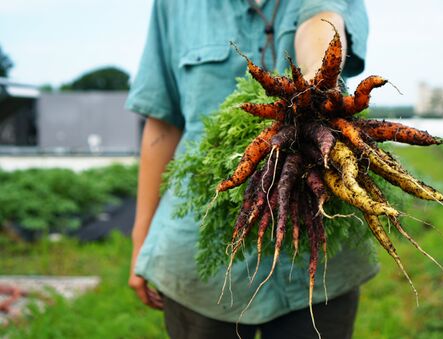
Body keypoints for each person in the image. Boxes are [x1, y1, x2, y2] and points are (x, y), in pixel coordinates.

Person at [126, 1, 378, 338]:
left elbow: (320, 19)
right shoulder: (174, 6)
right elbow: (162, 123)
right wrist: (141, 237)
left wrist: (317, 87)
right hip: (200, 254)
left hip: (318, 255)